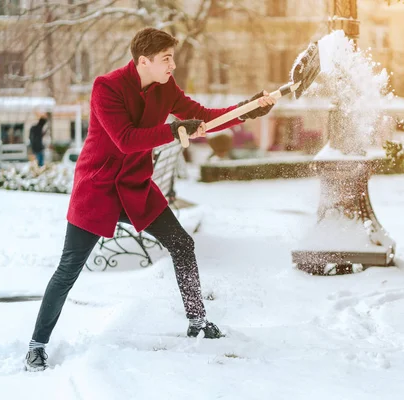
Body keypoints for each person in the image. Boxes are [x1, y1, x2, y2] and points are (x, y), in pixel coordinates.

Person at [24, 27, 276, 372]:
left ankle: (197, 320)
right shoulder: (106, 87)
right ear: (144, 61)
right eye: (166, 59)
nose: (173, 65)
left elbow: (200, 115)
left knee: (182, 243)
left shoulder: (165, 88)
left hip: (135, 186)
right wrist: (175, 130)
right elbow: (125, 140)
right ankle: (36, 346)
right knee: (69, 269)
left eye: (173, 58)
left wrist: (247, 109)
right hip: (97, 189)